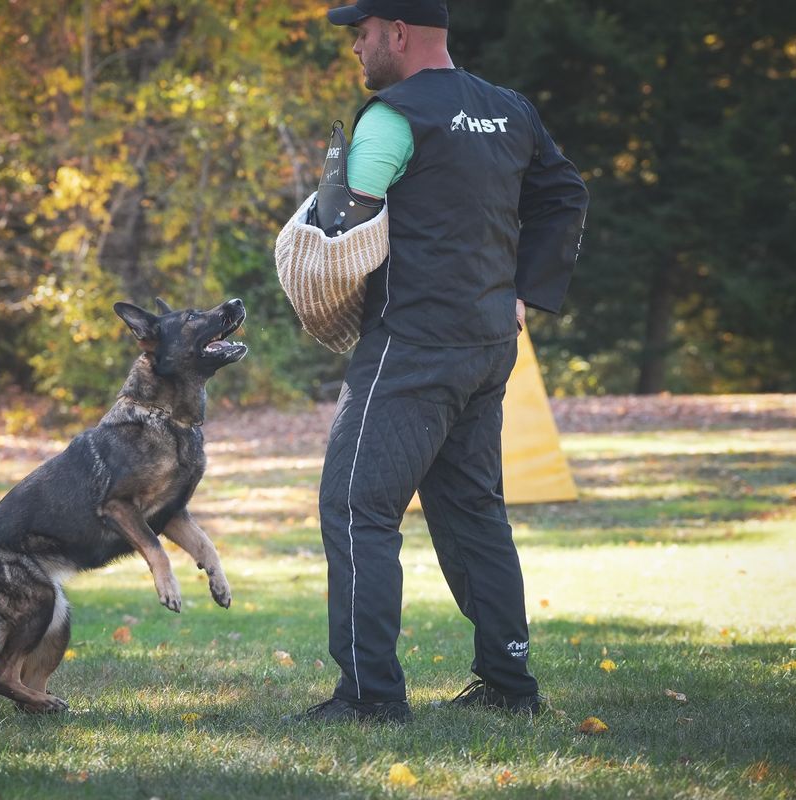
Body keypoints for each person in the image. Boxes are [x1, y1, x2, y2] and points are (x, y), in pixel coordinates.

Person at [291, 0, 589, 723]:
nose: (356, 48)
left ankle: (369, 694)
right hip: (487, 346)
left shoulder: (392, 116)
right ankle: (510, 684)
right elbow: (565, 194)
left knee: (357, 507)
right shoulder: (508, 109)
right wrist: (526, 292)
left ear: (398, 32)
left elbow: (345, 221)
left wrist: (311, 266)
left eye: (361, 34)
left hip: (410, 347)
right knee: (472, 512)